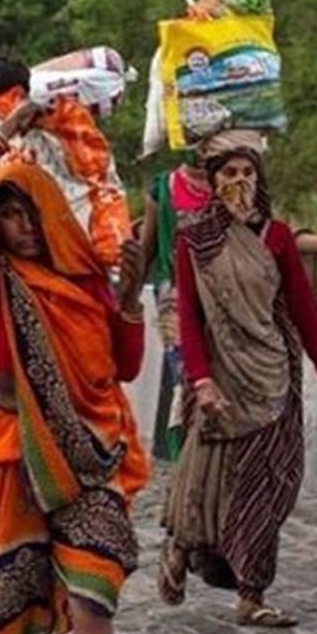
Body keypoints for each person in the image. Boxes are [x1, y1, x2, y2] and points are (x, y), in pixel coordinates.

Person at [0, 101, 150, 634]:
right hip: (7, 449)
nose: (23, 227)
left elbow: (124, 369)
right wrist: (1, 135)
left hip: (90, 453)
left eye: (31, 213)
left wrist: (130, 303)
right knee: (21, 602)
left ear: (53, 215)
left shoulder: (83, 283)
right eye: (8, 216)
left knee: (95, 593)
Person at [158, 132, 317, 627]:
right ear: (214, 181)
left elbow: (304, 310)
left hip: (272, 375)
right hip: (221, 377)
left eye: (248, 173)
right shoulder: (194, 238)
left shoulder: (278, 237)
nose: (240, 182)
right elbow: (191, 316)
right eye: (230, 174)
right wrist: (201, 380)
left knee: (274, 480)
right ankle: (197, 556)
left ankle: (250, 587)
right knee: (213, 481)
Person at [140, 149, 214, 458]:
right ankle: (186, 455)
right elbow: (147, 249)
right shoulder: (164, 189)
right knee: (189, 380)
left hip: (222, 296)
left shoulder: (231, 184)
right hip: (177, 300)